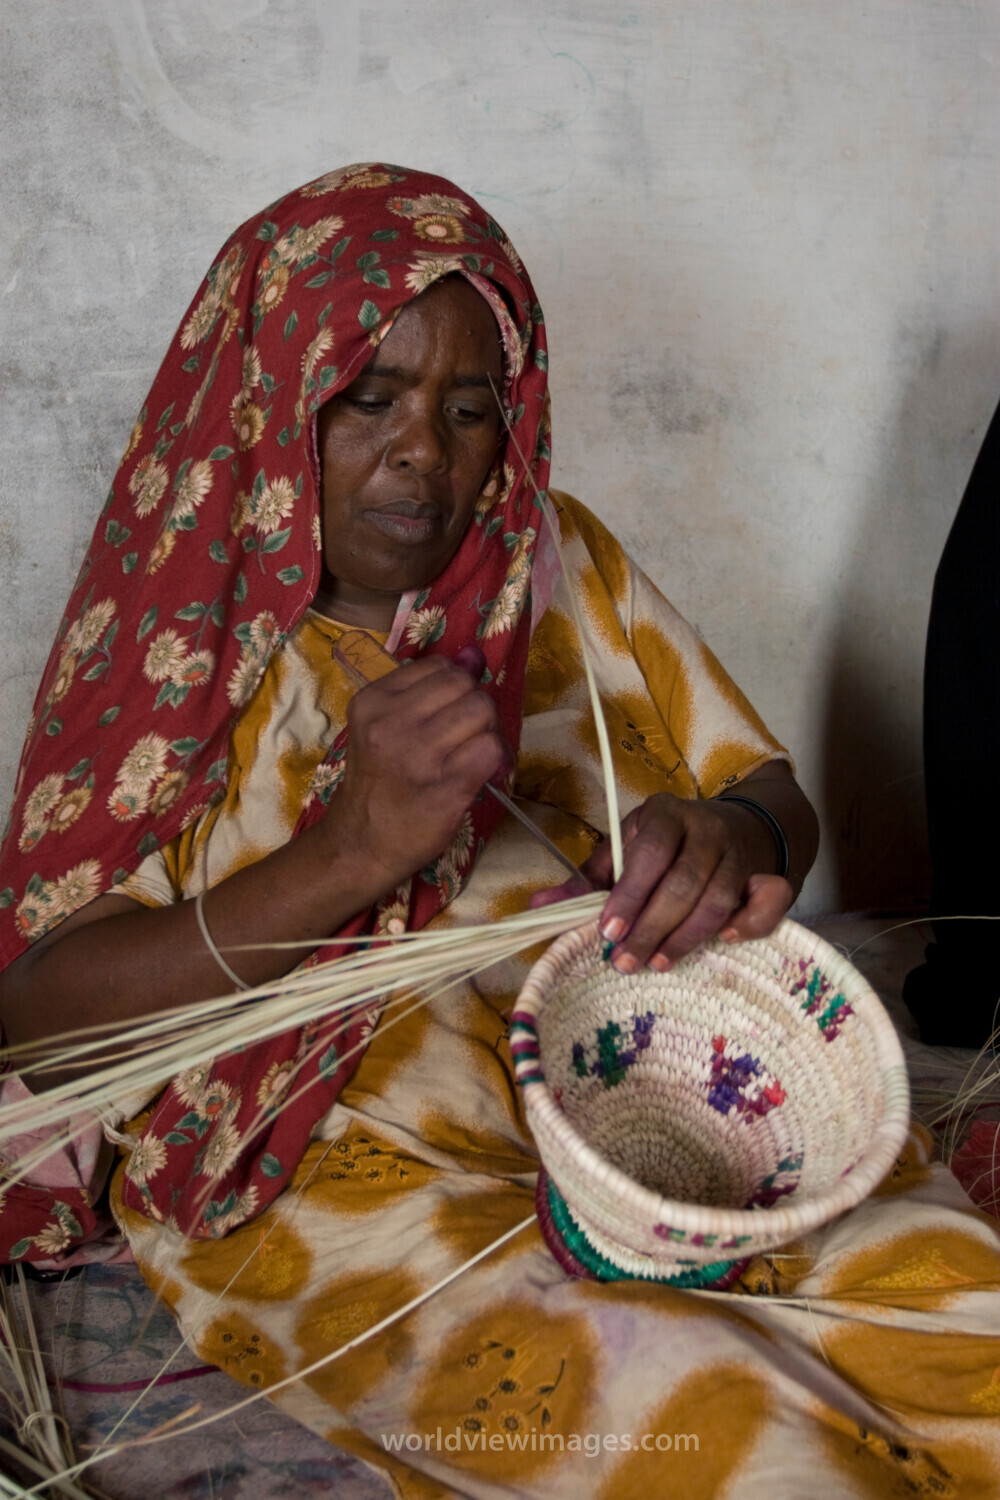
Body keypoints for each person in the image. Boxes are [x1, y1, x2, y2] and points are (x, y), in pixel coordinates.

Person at [0, 168, 996, 1496]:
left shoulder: (551, 565)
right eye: (370, 399)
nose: (427, 452)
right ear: (264, 398)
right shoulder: (178, 641)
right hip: (333, 1171)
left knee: (961, 1331)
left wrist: (731, 840)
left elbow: (769, 800)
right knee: (709, 1443)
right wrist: (344, 852)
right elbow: (42, 1019)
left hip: (650, 1095)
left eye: (470, 410)